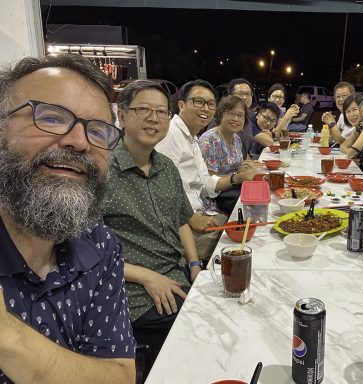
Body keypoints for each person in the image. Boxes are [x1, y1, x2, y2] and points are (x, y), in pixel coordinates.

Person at [0, 54, 135, 383]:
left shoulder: (99, 244)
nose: (78, 142)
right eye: (51, 117)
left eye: (98, 132)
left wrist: (5, 336)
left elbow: (120, 375)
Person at [103, 80, 201, 363]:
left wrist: (195, 265)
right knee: (203, 323)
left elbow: (182, 219)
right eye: (143, 109)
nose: (153, 118)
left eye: (161, 112)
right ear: (121, 116)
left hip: (177, 273)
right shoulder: (103, 172)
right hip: (136, 289)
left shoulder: (166, 167)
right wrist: (147, 276)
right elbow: (85, 253)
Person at [155, 79, 259, 264]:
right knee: (240, 247)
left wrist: (238, 177)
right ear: (181, 104)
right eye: (198, 102)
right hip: (182, 222)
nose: (205, 108)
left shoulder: (192, 138)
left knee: (250, 226)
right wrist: (190, 216)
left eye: (210, 104)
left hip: (201, 211)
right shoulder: (170, 135)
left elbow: (205, 182)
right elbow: (159, 190)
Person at [198, 95, 262, 214]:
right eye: (231, 113)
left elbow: (236, 165)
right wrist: (239, 174)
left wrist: (247, 165)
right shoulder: (210, 140)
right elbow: (209, 180)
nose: (236, 119)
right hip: (216, 197)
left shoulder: (236, 138)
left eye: (240, 115)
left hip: (234, 187)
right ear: (221, 114)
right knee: (255, 206)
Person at [339, 94, 363, 174]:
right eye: (348, 111)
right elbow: (343, 146)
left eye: (354, 109)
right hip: (359, 173)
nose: (351, 115)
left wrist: (351, 154)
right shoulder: (359, 128)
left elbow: (351, 152)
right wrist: (352, 155)